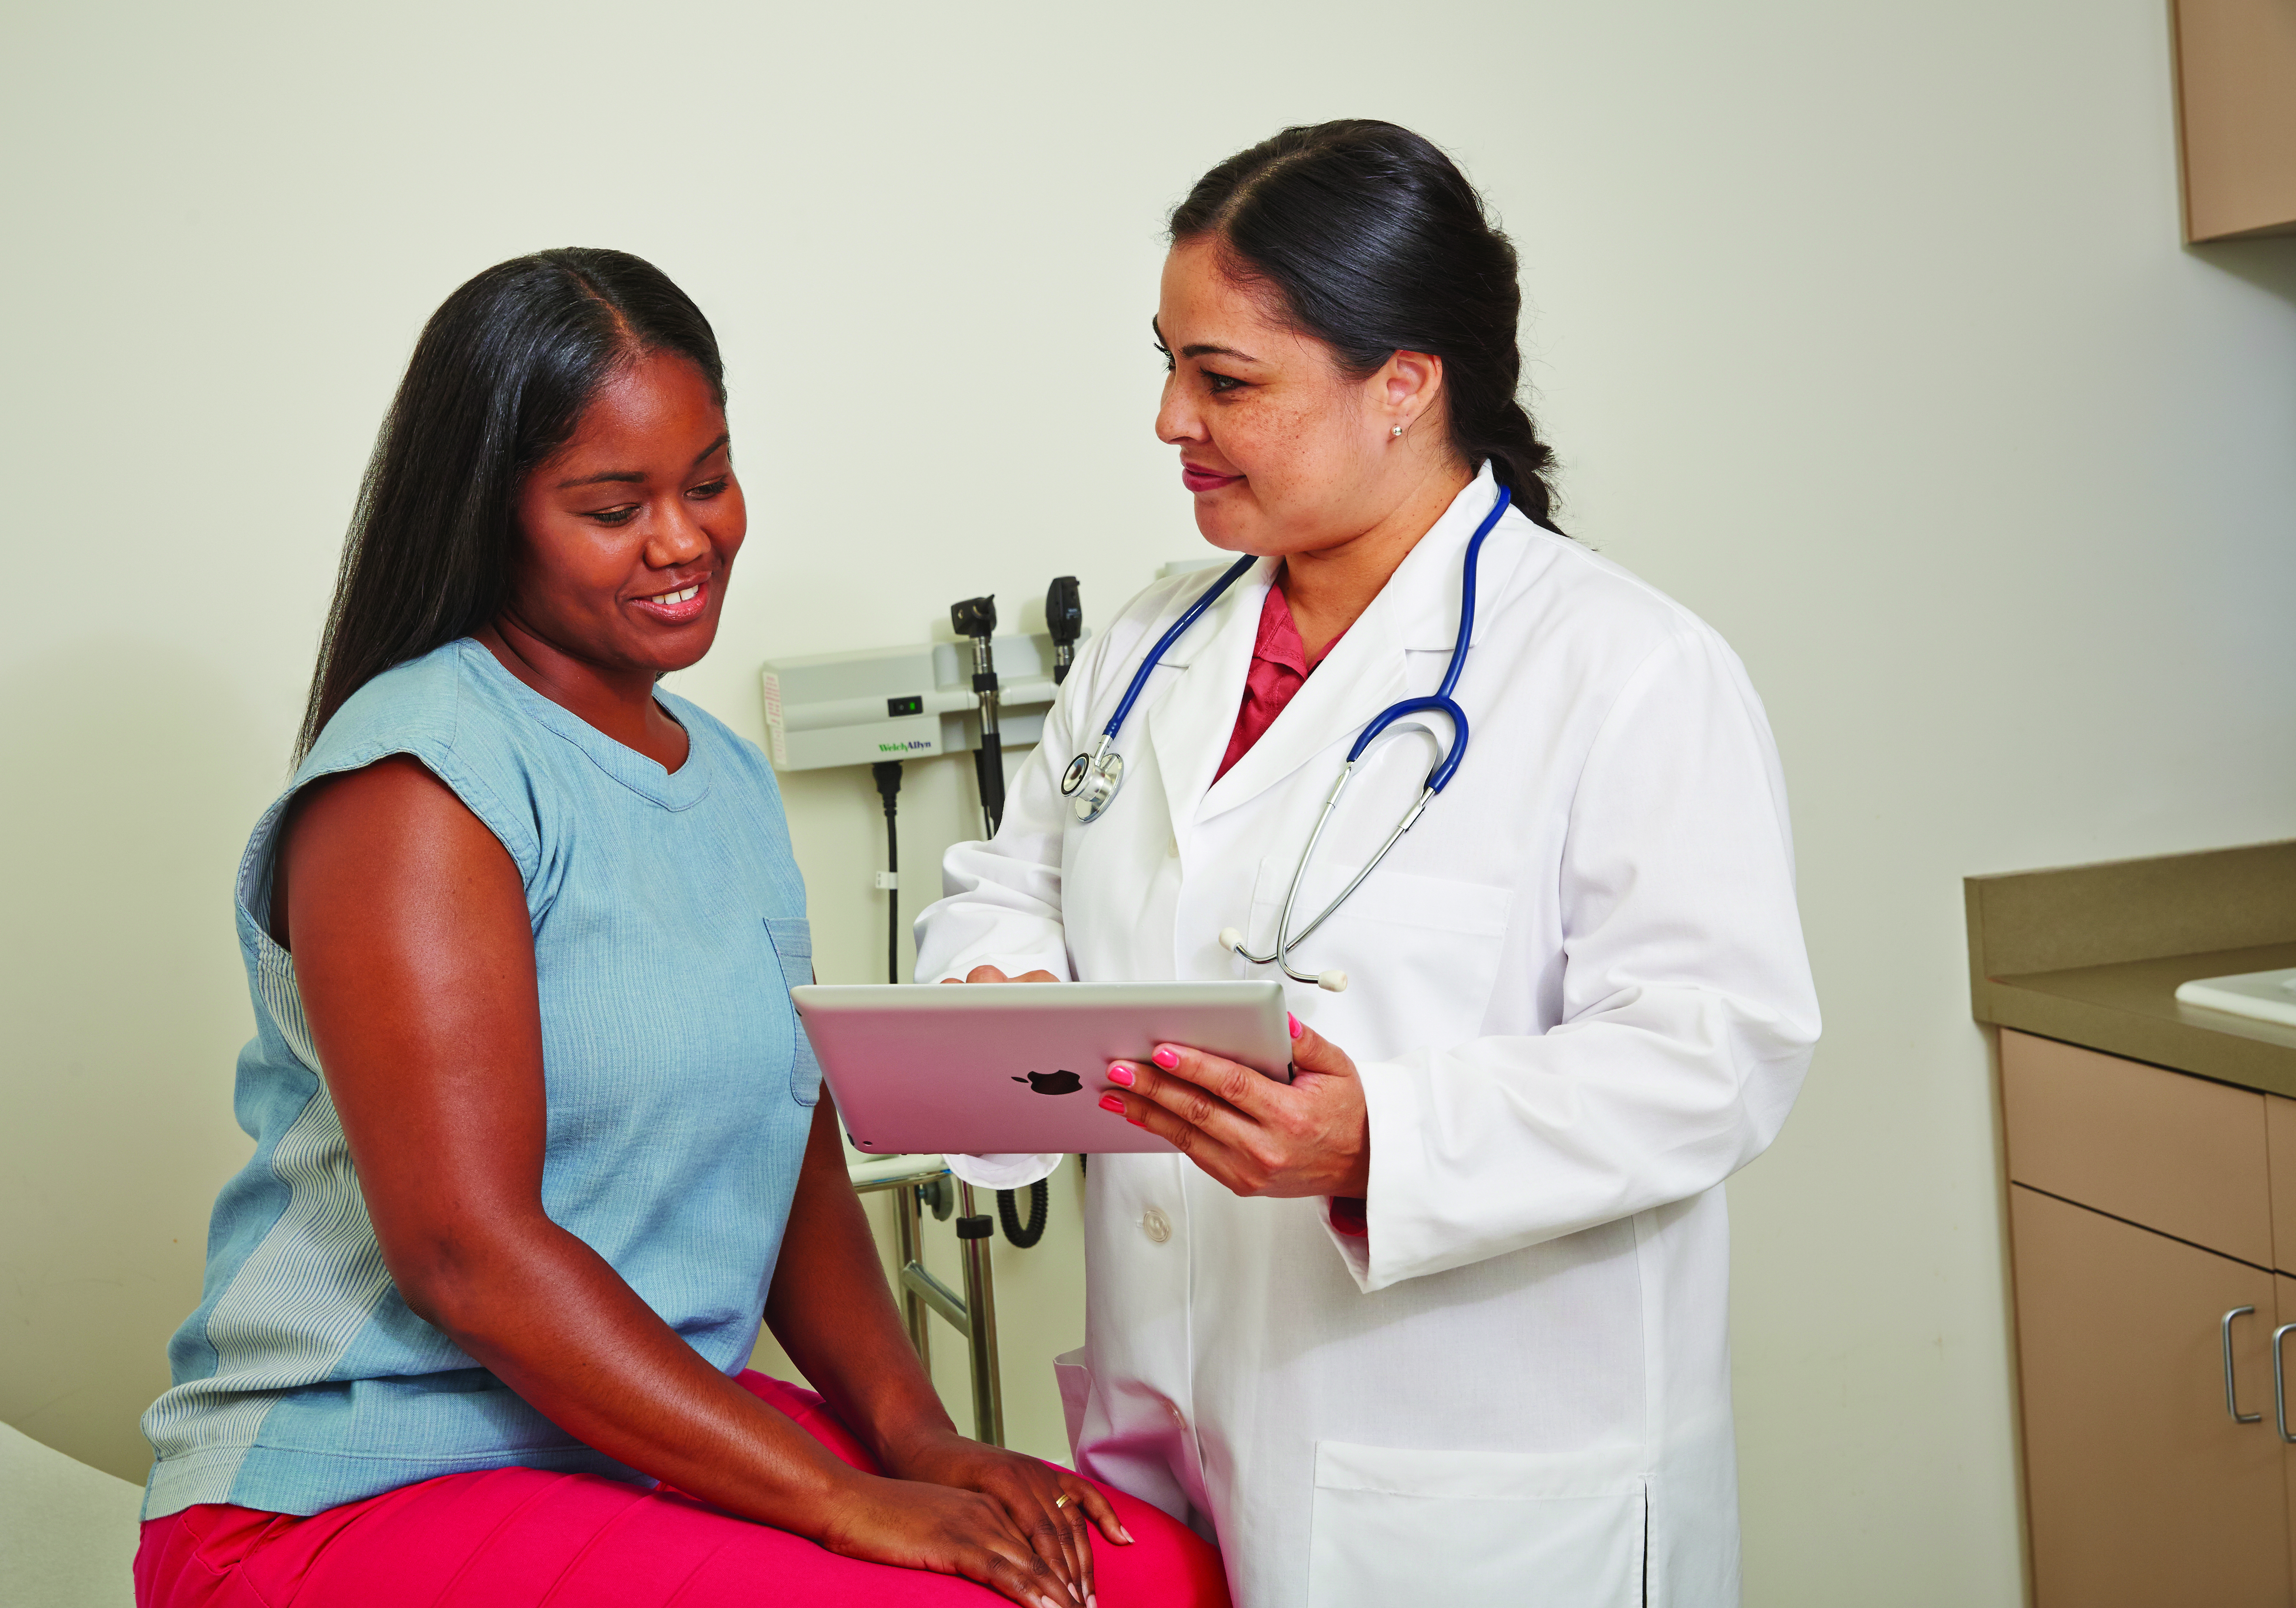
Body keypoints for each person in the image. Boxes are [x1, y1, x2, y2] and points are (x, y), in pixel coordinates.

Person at [135, 249, 1229, 1608]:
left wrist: (917, 1436)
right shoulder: (418, 787)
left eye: (707, 480)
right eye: (612, 506)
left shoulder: (718, 777)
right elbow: (466, 1255)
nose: (682, 539)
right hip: (358, 1483)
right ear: (493, 516)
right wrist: (840, 1502)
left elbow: (788, 1158)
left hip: (632, 1440)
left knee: (1161, 1577)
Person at [916, 122, 1821, 1607]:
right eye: (1168, 365)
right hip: (1171, 1434)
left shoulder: (1624, 669)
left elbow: (1717, 1052)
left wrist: (1384, 1141)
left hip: (1474, 1482)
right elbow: (1013, 882)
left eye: (1225, 382)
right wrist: (1001, 981)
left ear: (1405, 386)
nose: (1167, 419)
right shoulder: (1152, 645)